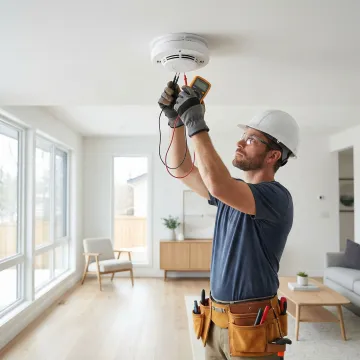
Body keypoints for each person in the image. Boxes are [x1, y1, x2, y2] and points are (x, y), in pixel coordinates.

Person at [158, 81, 300, 360]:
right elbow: (183, 170)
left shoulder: (276, 197)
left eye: (250, 139)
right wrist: (176, 123)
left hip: (254, 327)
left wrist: (196, 122)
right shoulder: (229, 193)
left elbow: (218, 184)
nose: (239, 142)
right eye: (243, 136)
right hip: (216, 322)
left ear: (273, 155)